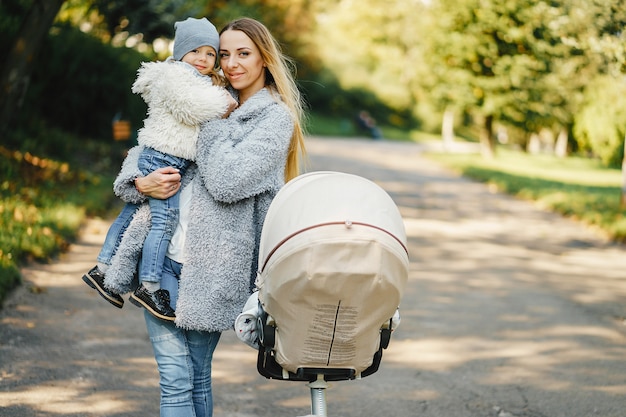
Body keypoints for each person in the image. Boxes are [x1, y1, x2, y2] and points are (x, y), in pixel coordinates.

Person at [98, 17, 306, 417]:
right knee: (175, 381)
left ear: (264, 58)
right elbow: (151, 144)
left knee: (195, 376)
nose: (231, 64)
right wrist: (142, 184)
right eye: (224, 54)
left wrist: (211, 118)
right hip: (160, 260)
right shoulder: (200, 95)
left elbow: (228, 181)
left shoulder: (271, 119)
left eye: (243, 54)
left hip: (213, 269)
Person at [82, 17, 237, 321]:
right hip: (163, 159)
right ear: (181, 53)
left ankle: (101, 269)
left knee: (130, 214)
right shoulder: (177, 77)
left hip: (166, 158)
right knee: (164, 223)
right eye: (196, 52)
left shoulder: (195, 78)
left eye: (210, 54)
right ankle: (151, 286)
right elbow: (193, 107)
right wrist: (224, 103)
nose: (203, 59)